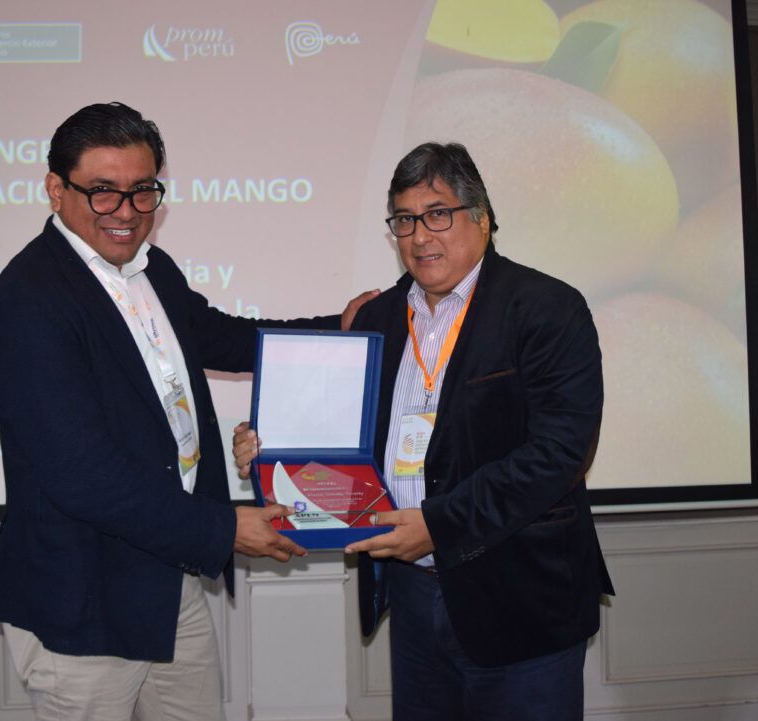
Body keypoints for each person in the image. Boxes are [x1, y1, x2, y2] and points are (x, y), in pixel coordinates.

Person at [0, 101, 374, 721]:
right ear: (56, 189)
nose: (127, 212)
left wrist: (341, 329)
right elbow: (82, 476)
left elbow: (224, 337)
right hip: (83, 597)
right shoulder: (29, 300)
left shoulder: (151, 269)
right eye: (103, 192)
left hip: (166, 580)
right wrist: (223, 529)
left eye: (143, 191)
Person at [234, 142, 613, 721]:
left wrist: (439, 525)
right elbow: (343, 437)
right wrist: (272, 448)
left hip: (521, 595)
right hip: (412, 593)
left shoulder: (546, 307)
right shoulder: (379, 317)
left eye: (437, 214)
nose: (419, 236)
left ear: (481, 218)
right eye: (404, 220)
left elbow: (560, 453)